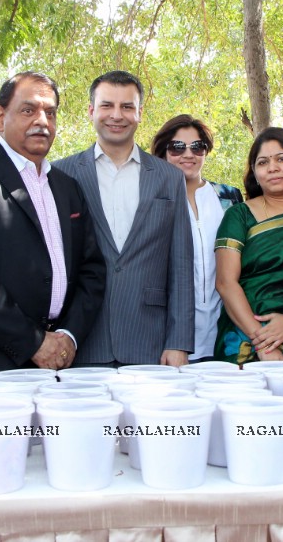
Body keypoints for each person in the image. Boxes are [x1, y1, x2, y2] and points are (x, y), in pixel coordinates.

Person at [0, 72, 105, 373]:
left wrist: (68, 335)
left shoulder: (67, 188)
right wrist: (33, 342)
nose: (42, 121)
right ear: (0, 117)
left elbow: (91, 270)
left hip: (60, 360)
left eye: (50, 112)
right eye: (29, 110)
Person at [55, 70, 194, 367]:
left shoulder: (169, 178)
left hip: (151, 342)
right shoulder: (61, 174)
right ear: (91, 111)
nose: (116, 115)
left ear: (139, 113)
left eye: (127, 107)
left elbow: (181, 263)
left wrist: (179, 340)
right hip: (80, 340)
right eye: (107, 105)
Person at [214, 128, 283, 364]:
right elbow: (225, 283)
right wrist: (263, 343)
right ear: (255, 173)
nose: (272, 168)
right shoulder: (239, 215)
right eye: (263, 162)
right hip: (245, 336)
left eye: (282, 159)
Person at [151, 115, 242, 362]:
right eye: (177, 147)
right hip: (170, 339)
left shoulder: (229, 197)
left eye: (197, 146)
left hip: (225, 333)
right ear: (162, 153)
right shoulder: (150, 200)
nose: (188, 154)